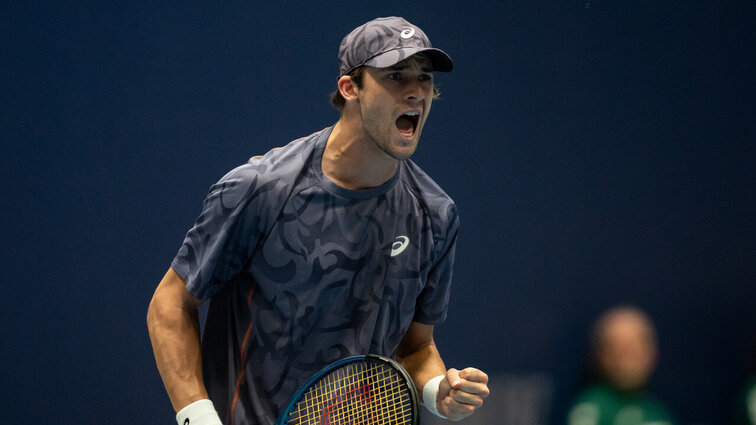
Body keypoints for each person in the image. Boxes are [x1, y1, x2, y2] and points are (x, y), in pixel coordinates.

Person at [147, 16, 489, 425]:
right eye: (396, 75)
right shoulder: (261, 189)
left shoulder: (435, 214)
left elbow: (416, 348)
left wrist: (440, 393)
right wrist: (198, 417)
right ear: (350, 89)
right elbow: (170, 305)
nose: (417, 92)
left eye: (425, 78)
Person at [567, 306, 676, 425]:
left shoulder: (657, 412)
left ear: (652, 353)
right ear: (600, 356)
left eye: (634, 350)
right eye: (617, 350)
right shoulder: (590, 408)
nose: (626, 361)